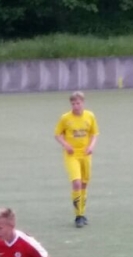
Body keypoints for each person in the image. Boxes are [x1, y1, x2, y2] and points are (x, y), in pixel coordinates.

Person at [54, 91, 99, 228]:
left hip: (85, 154)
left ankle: (82, 213)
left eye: (78, 103)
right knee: (77, 183)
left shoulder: (90, 116)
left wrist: (91, 146)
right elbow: (57, 134)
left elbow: (94, 133)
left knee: (84, 184)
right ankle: (78, 216)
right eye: (73, 104)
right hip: (72, 155)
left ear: (83, 103)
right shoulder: (65, 118)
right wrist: (66, 145)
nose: (76, 106)